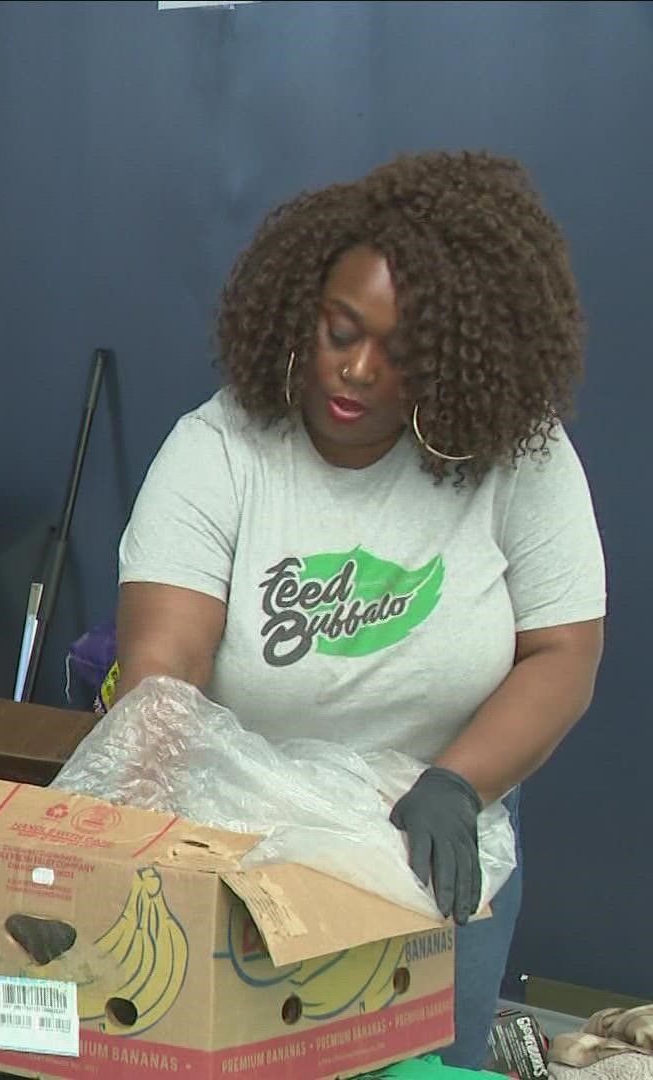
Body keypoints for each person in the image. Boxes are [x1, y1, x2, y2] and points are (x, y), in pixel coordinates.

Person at [114, 151, 605, 1069]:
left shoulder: (519, 461)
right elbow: (163, 665)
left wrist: (457, 785)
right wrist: (142, 831)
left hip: (438, 853)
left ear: (459, 357)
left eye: (404, 352)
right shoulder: (218, 452)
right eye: (342, 330)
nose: (359, 369)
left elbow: (563, 652)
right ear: (303, 306)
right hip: (244, 857)